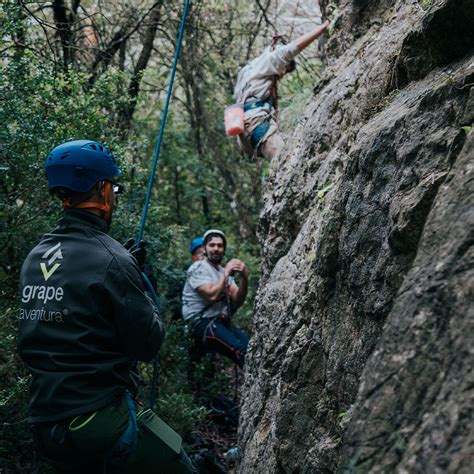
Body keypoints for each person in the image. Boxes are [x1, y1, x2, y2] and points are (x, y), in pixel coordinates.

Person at [17, 139, 195, 473]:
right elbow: (148, 343)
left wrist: (125, 269)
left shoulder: (35, 257)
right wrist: (140, 282)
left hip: (45, 423)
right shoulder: (112, 259)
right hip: (96, 419)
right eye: (112, 186)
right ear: (101, 189)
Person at [234, 20, 330, 160]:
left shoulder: (249, 70)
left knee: (289, 157)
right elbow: (288, 51)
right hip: (257, 125)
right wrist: (322, 28)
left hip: (246, 133)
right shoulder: (268, 63)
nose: (284, 73)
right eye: (286, 69)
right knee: (287, 164)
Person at [181, 229, 249, 368]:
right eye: (212, 245)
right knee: (241, 352)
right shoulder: (198, 268)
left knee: (251, 348)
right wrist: (226, 273)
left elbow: (238, 300)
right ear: (205, 248)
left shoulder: (221, 270)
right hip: (200, 323)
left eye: (220, 245)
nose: (216, 249)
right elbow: (212, 295)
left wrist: (244, 277)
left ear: (224, 249)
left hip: (218, 322)